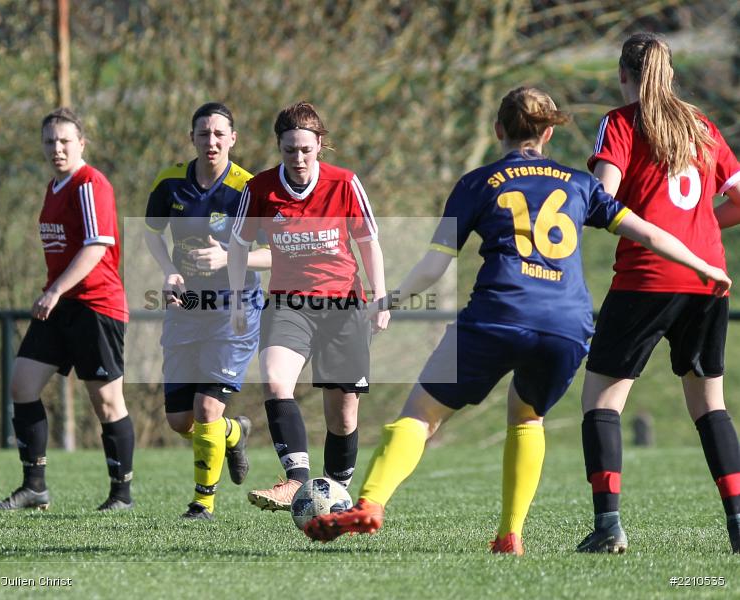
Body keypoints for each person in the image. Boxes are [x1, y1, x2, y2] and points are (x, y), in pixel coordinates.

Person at [302, 87, 731, 555]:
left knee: (423, 414)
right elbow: (647, 231)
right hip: (567, 327)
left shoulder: (476, 183)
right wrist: (703, 265)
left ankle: (371, 503)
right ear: (549, 132)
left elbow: (434, 265)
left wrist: (387, 300)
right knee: (528, 417)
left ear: (497, 129)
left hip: (499, 314)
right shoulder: (580, 184)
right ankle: (510, 535)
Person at [575, 32, 740, 554]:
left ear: (623, 74)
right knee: (709, 403)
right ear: (669, 74)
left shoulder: (621, 122)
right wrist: (699, 232)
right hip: (707, 277)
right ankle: (738, 523)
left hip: (648, 276)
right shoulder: (703, 125)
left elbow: (601, 195)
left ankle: (608, 526)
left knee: (601, 400)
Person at [228, 101, 390, 510]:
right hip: (288, 303)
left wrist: (380, 297)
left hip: (343, 305)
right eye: (289, 150)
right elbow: (237, 246)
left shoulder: (344, 183)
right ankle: (295, 481)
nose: (298, 158)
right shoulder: (260, 189)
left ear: (320, 145)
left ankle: (336, 499)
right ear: (278, 148)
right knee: (275, 380)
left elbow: (369, 244)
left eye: (305, 149)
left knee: (343, 417)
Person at [0, 107, 135, 511]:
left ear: (81, 144)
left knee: (106, 402)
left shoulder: (90, 184)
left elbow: (97, 246)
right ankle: (34, 487)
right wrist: (56, 295)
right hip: (62, 305)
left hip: (96, 306)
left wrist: (53, 291)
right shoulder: (54, 187)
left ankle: (121, 494)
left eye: (65, 141)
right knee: (22, 384)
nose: (57, 148)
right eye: (50, 141)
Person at [144, 102, 270, 520]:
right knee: (181, 421)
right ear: (192, 138)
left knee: (206, 409)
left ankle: (203, 503)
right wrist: (167, 272)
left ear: (233, 138)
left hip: (234, 311)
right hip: (186, 308)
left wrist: (230, 260)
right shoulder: (170, 183)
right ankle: (234, 433)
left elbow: (277, 252)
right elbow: (150, 233)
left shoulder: (249, 189)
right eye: (204, 133)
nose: (211, 141)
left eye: (219, 133)